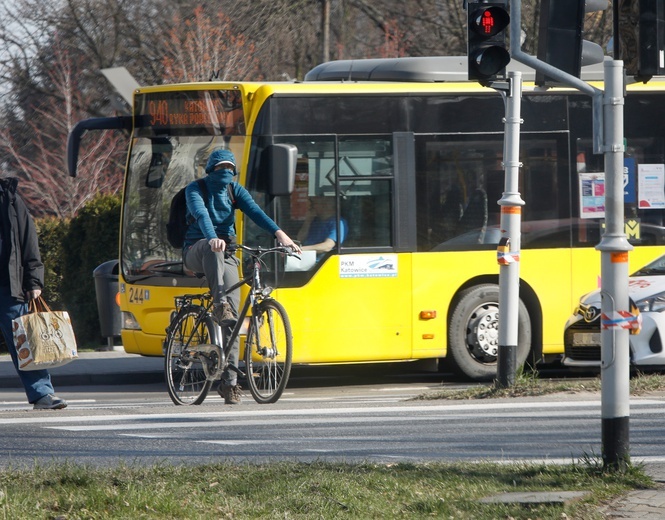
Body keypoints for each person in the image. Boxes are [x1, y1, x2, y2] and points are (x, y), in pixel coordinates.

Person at [182, 148, 300, 405]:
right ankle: (219, 302)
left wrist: (280, 234)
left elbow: (256, 212)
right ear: (211, 169)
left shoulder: (235, 191)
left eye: (229, 169)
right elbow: (201, 214)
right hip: (197, 250)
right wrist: (212, 236)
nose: (224, 173)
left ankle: (230, 384)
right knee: (212, 248)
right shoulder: (195, 189)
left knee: (233, 323)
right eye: (219, 168)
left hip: (226, 253)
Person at [0, 177, 67, 410]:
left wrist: (34, 280)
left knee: (23, 342)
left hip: (8, 285)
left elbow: (28, 240)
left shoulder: (9, 199)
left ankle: (42, 394)